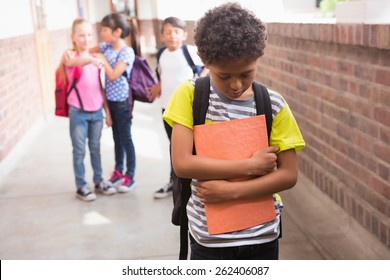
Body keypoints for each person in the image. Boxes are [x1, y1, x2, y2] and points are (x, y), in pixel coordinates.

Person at [162, 3, 305, 260]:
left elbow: (289, 174)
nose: (236, 85)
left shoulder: (273, 105)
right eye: (224, 76)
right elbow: (182, 163)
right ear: (205, 61)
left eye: (246, 73)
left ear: (258, 59)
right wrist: (249, 167)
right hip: (209, 241)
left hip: (263, 237)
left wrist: (231, 191)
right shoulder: (190, 95)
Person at [149, 17, 208, 199]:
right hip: (167, 109)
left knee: (193, 149)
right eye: (168, 32)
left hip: (188, 111)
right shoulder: (161, 54)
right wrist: (157, 87)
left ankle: (194, 184)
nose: (172, 35)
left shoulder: (190, 52)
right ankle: (175, 184)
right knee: (174, 148)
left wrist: (198, 80)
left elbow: (208, 66)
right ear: (162, 35)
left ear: (184, 34)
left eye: (176, 31)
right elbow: (163, 74)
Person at [61, 18, 115, 201]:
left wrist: (107, 112)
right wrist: (93, 59)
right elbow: (79, 62)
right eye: (81, 35)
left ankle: (99, 180)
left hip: (96, 112)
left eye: (89, 34)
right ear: (73, 37)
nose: (86, 38)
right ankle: (81, 186)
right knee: (79, 150)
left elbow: (101, 87)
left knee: (95, 148)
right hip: (78, 111)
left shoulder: (97, 58)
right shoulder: (69, 56)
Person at [91, 12, 137, 193]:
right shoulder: (106, 46)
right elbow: (89, 50)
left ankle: (130, 176)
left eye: (104, 30)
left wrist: (102, 59)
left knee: (126, 139)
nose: (101, 33)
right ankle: (118, 171)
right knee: (116, 138)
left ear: (117, 32)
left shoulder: (126, 52)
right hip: (110, 101)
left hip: (122, 102)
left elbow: (113, 74)